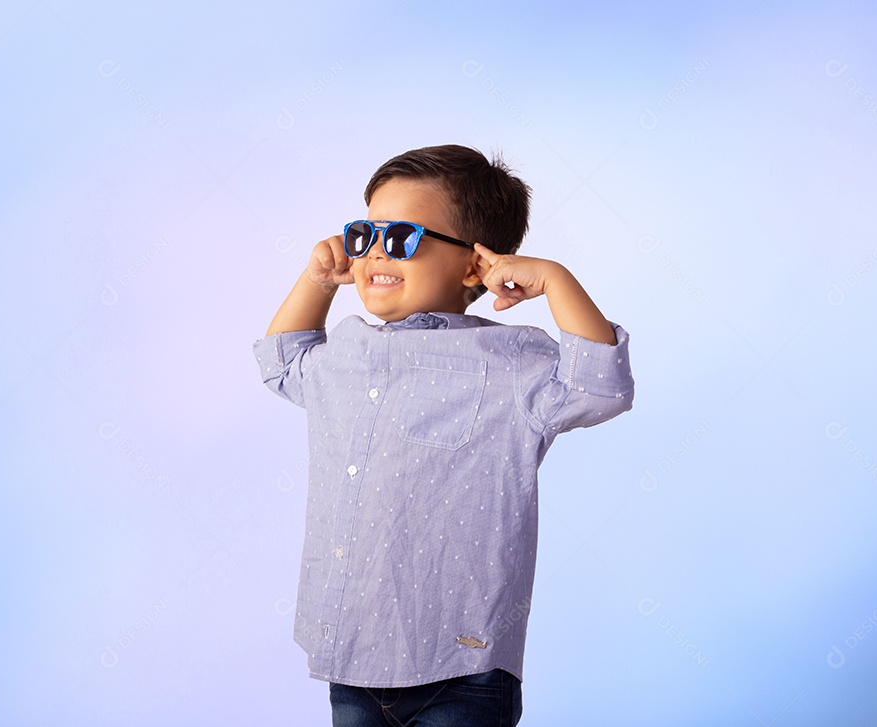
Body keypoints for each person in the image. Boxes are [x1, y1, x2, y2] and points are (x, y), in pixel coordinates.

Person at [253, 144, 634, 726]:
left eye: (402, 236)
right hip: (350, 657)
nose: (375, 251)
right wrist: (318, 281)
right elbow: (281, 363)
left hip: (462, 667)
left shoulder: (510, 362)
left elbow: (601, 388)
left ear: (473, 265)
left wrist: (556, 280)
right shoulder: (345, 354)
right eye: (363, 234)